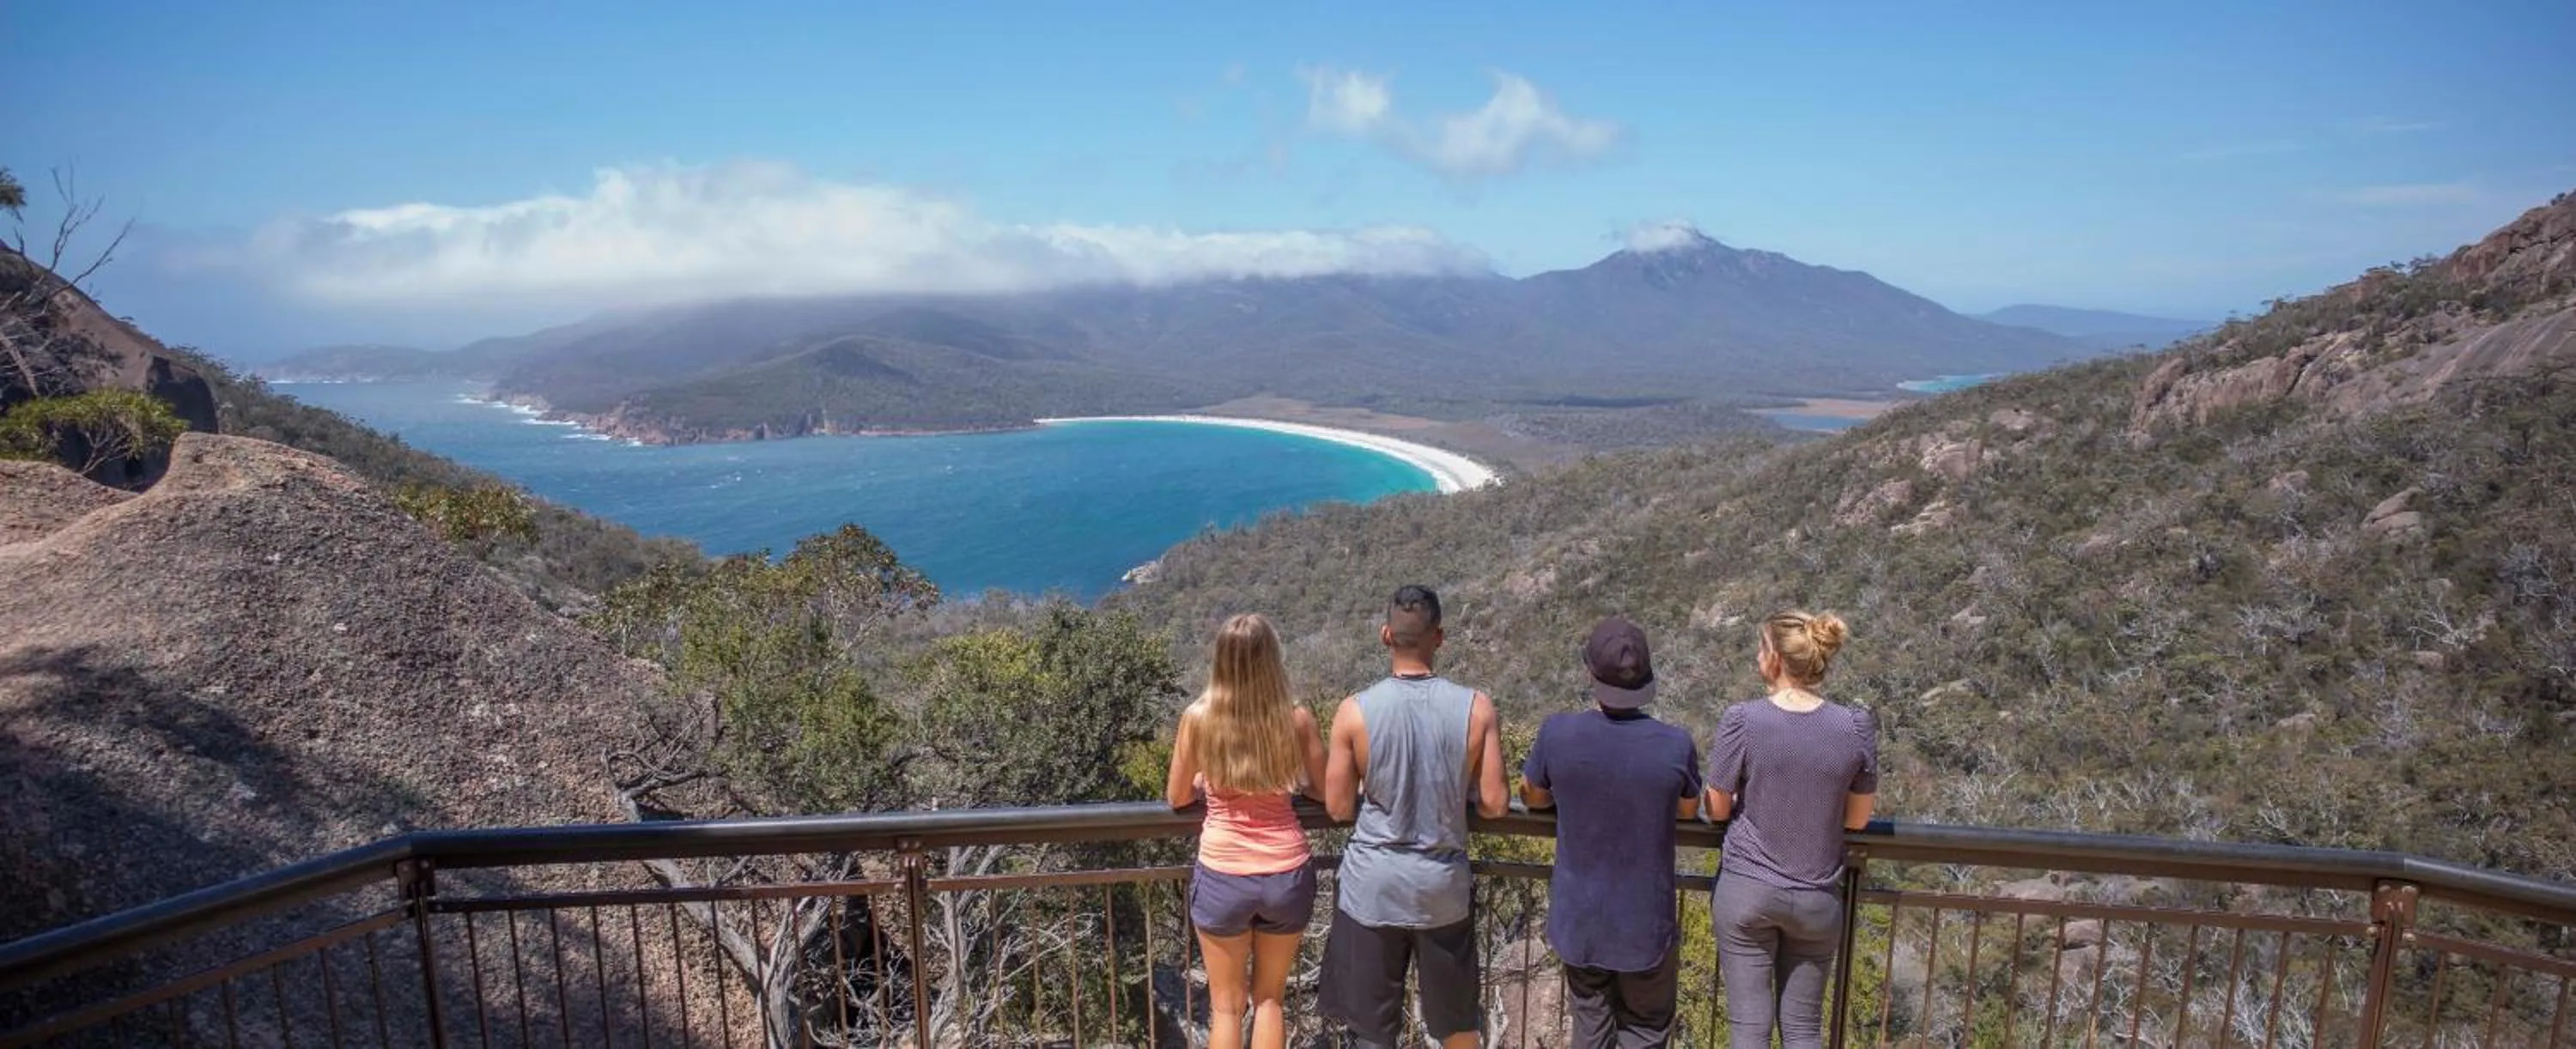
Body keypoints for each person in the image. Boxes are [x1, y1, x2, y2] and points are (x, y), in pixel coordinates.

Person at [1321, 585, 1510, 1049]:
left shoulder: (1354, 712)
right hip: (1441, 889)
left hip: (1374, 887)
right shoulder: (1476, 708)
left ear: (1386, 635)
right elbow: (1495, 804)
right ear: (1439, 637)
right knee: (1457, 1026)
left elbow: (1339, 807)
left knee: (1371, 1032)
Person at [1519, 616, 1702, 1048]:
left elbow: (1533, 797)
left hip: (1581, 921)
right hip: (1645, 924)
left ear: (1590, 673)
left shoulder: (1557, 733)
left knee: (1590, 1026)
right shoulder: (1674, 744)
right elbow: (1689, 809)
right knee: (1646, 1028)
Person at [1704, 611, 1879, 1049]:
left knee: (1749, 1027)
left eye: (1762, 649)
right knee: (1803, 1028)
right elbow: (1857, 820)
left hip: (1748, 888)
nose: (1758, 658)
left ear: (1776, 660)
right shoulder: (1854, 726)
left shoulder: (1743, 719)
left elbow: (1717, 804)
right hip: (1817, 895)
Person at [1164, 613, 1330, 1049]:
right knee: (1270, 1001)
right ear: (1272, 659)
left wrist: (1206, 782)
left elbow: (1178, 797)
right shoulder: (1295, 719)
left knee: (1225, 1006)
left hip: (1222, 873)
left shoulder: (1198, 718)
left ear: (1220, 659)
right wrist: (1297, 784)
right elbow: (1328, 792)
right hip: (1286, 872)